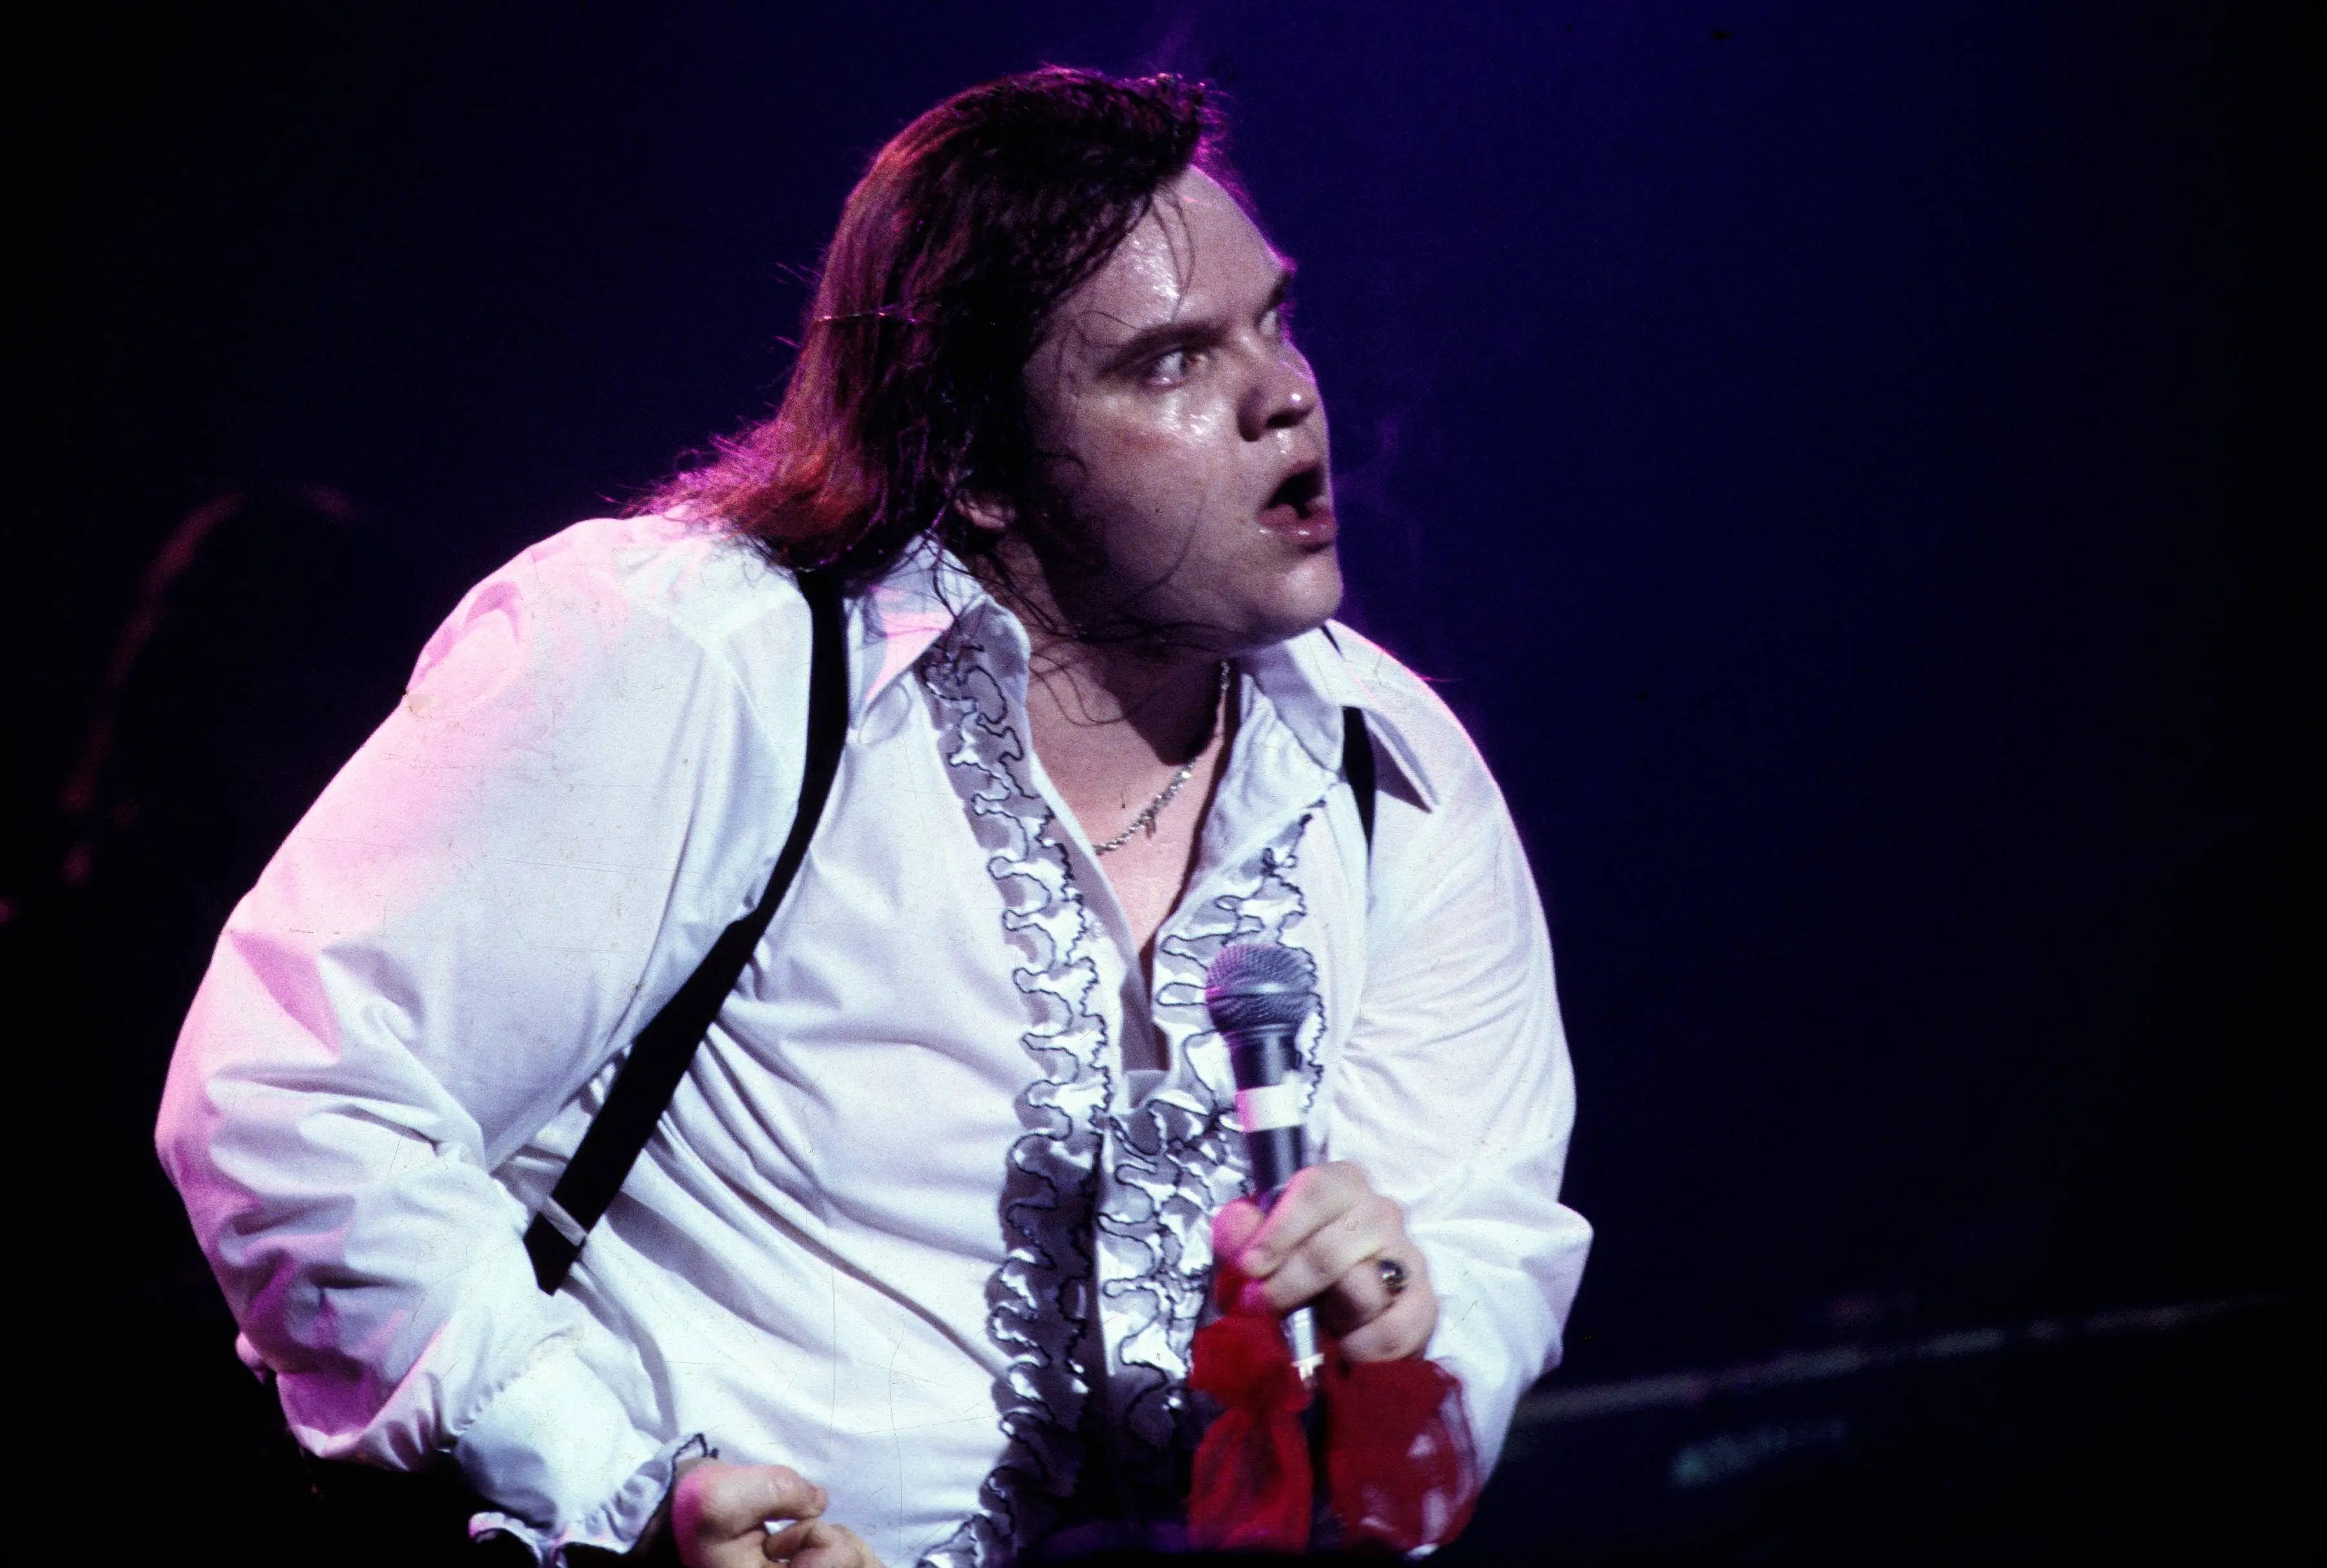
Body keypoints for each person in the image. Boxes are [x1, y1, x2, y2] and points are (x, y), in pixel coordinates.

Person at [157, 67, 1591, 1567]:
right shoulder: (702, 657)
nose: (1284, 393)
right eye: (1170, 361)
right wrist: (619, 1490)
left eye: (1274, 322)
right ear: (977, 464)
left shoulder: (1390, 772)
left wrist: (1402, 1344)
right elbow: (293, 1095)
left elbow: (1481, 1243)